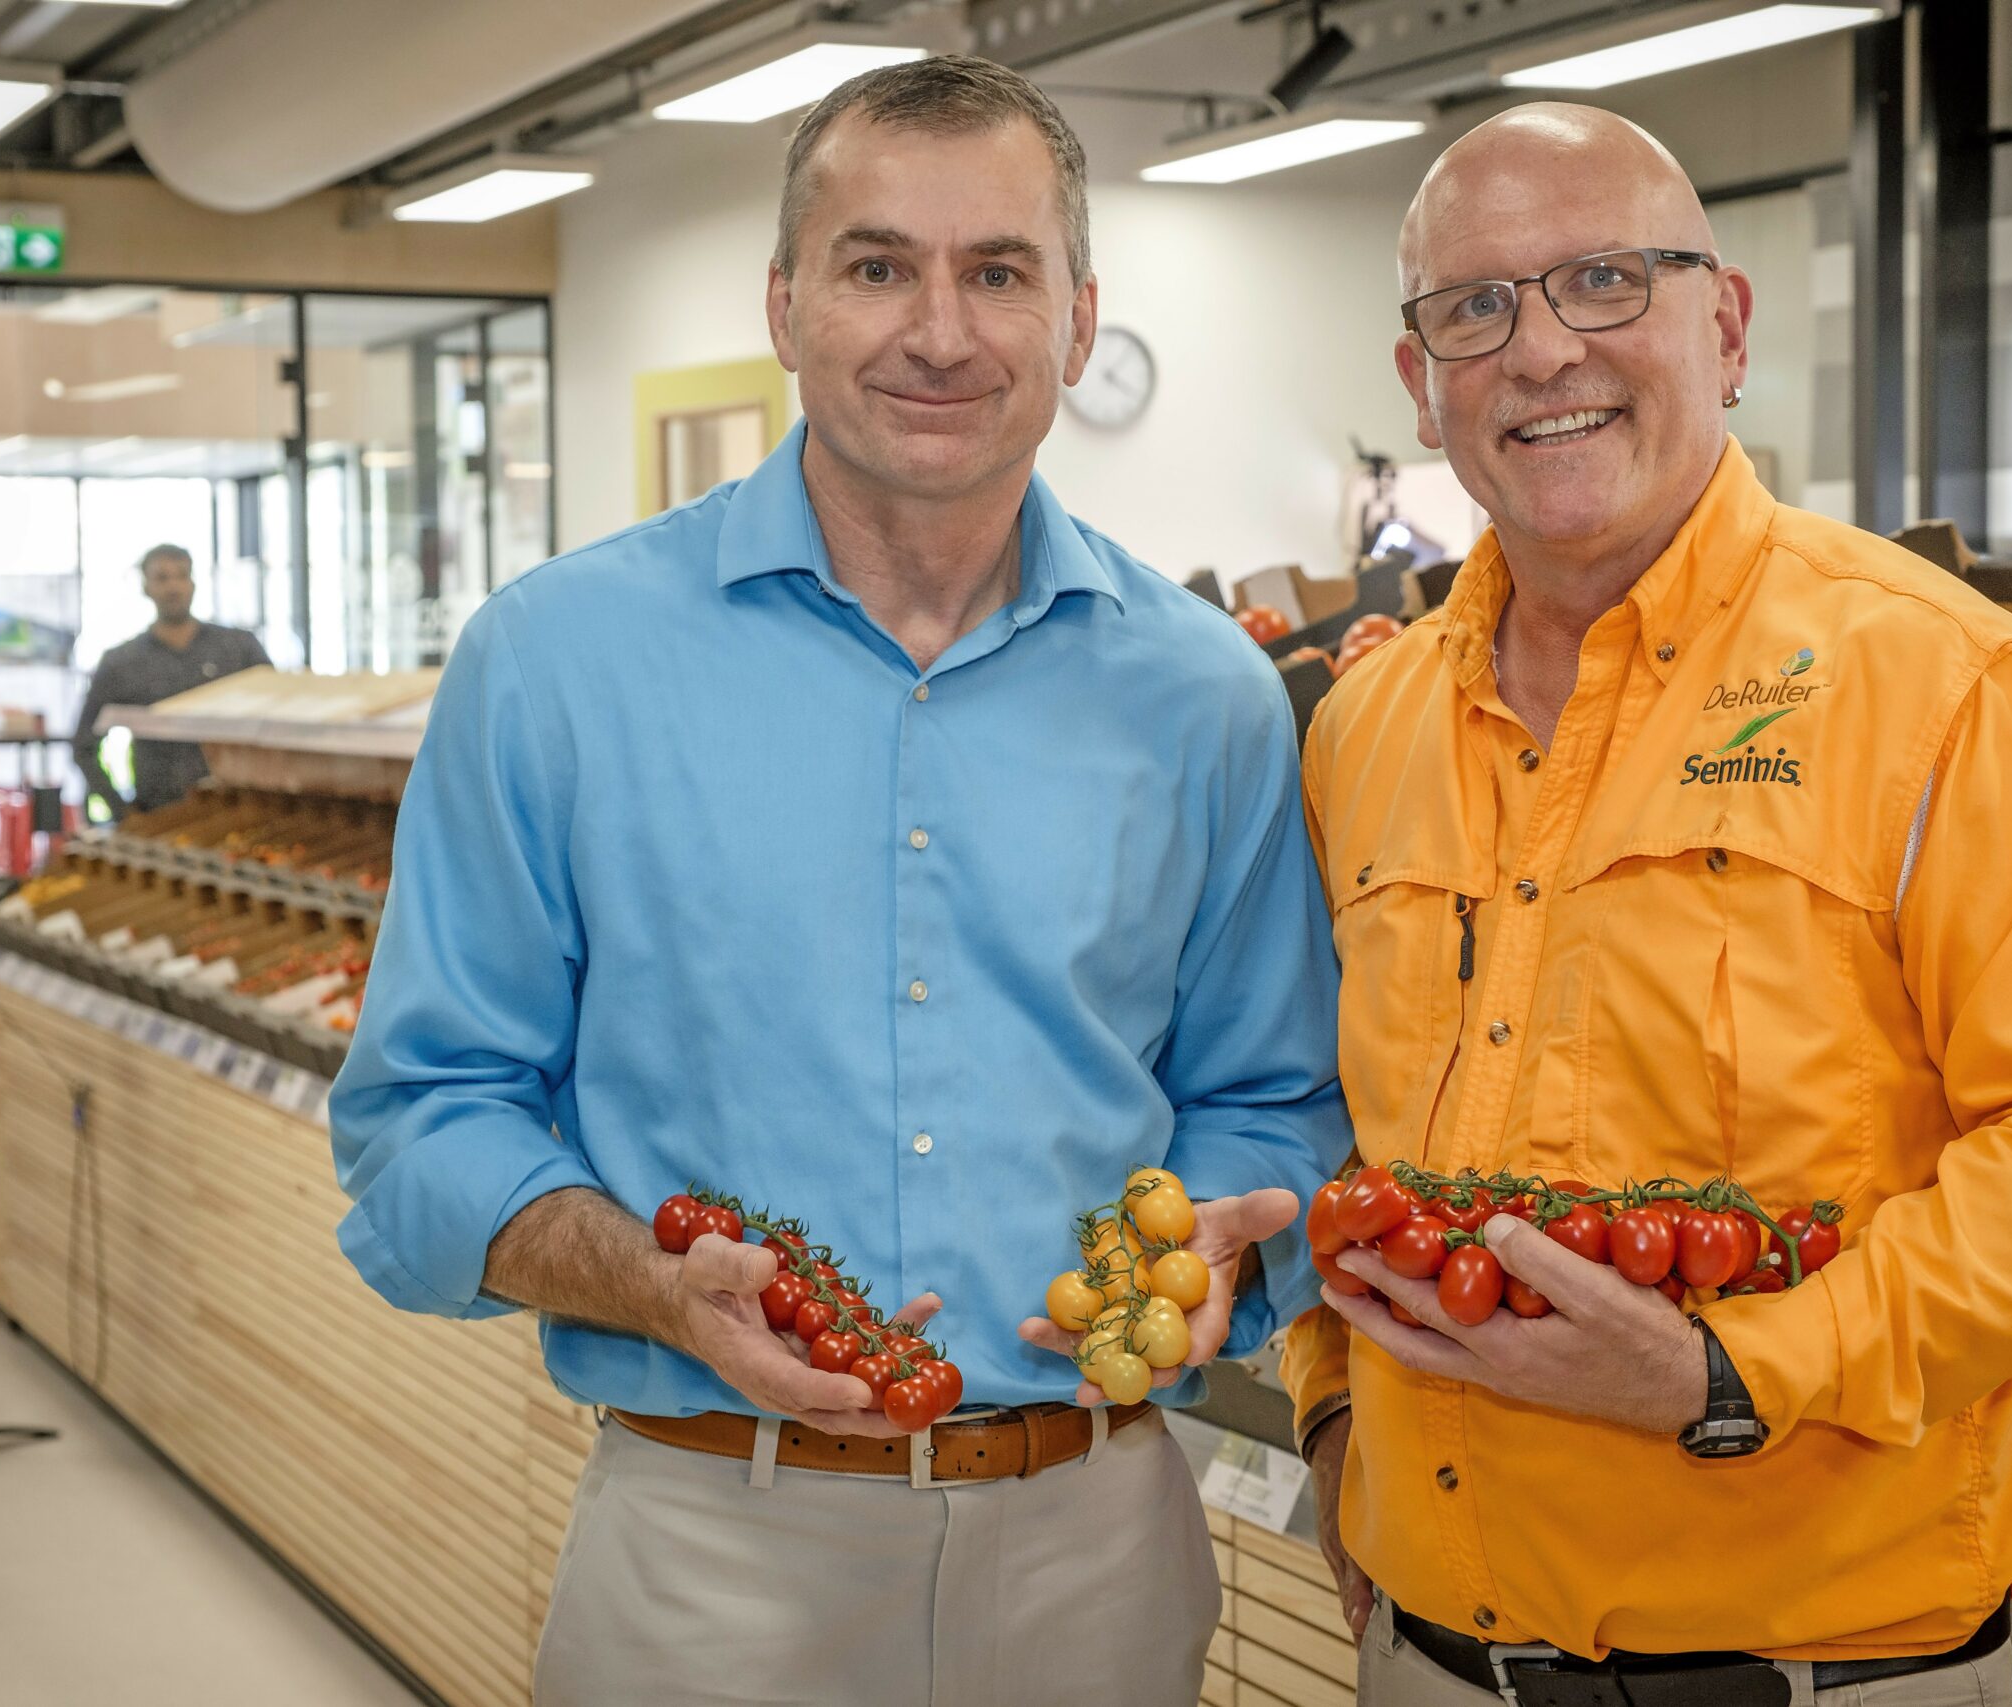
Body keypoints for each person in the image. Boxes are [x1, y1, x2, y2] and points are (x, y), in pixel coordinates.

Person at [329, 56, 1349, 1707]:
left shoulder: (1205, 692)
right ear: (787, 304)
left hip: (1097, 1536)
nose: (938, 331)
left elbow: (1273, 1096)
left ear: (1077, 324)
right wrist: (651, 1283)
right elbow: (421, 1116)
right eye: (878, 265)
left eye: (997, 272)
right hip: (704, 1546)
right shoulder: (557, 662)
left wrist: (1235, 1241)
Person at [1280, 106, 2012, 1706]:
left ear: (1723, 323)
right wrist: (1328, 1407)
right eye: (1476, 306)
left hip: (1820, 1674)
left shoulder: (1939, 684)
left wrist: (1730, 1368)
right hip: (1427, 1660)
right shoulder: (1365, 728)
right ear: (1420, 381)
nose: (1542, 349)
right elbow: (1327, 1122)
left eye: (1603, 279)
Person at [72, 544, 270, 822]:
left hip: (238, 810)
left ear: (193, 583)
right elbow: (83, 744)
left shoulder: (238, 649)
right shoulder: (123, 661)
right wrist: (122, 811)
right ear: (146, 586)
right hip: (158, 812)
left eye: (182, 575)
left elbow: (276, 723)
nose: (173, 587)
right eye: (162, 578)